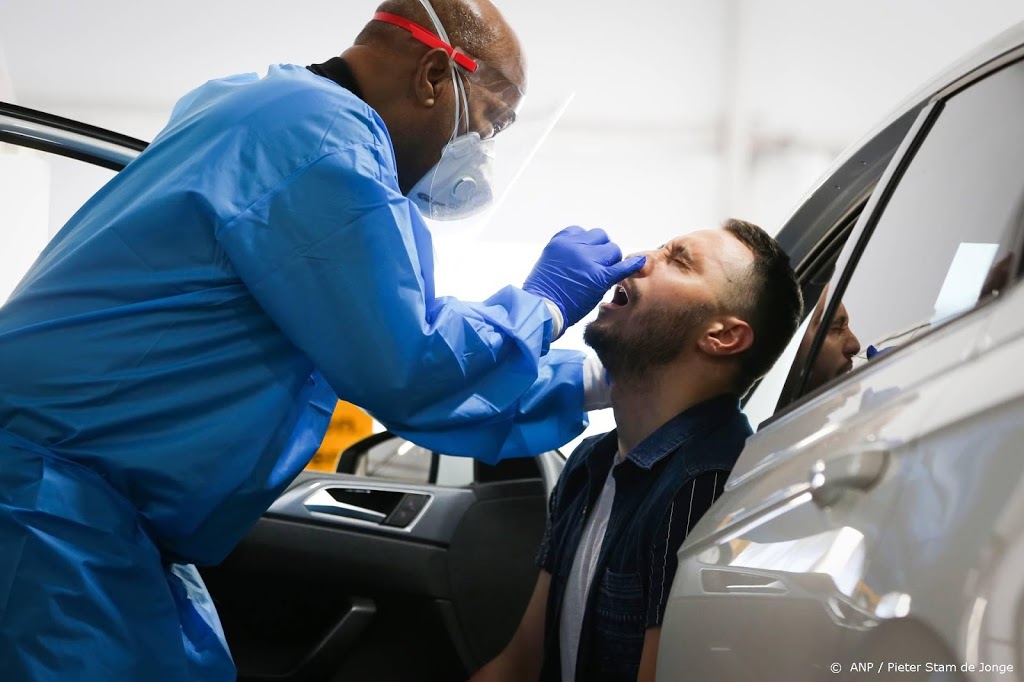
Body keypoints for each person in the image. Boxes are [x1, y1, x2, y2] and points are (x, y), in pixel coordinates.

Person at [0, 1, 643, 679]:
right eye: (491, 121)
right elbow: (411, 362)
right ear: (433, 76)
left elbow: (390, 330)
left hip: (87, 510)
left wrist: (601, 377)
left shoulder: (265, 109)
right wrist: (544, 303)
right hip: (51, 510)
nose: (482, 151)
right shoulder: (324, 144)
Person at [470, 219, 803, 682]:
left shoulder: (708, 487)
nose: (641, 259)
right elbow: (520, 664)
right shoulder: (592, 462)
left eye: (678, 261)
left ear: (723, 336)